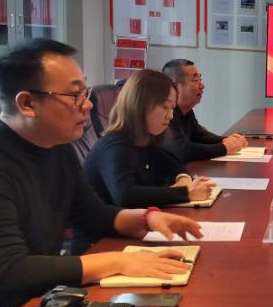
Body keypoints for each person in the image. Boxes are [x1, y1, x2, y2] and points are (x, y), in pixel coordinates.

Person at [0, 39, 202, 307]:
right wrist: (117, 262)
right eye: (75, 96)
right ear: (27, 103)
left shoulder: (55, 149)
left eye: (85, 93)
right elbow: (9, 273)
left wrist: (147, 218)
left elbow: (93, 215)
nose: (88, 105)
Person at [84, 70, 216, 207]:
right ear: (141, 104)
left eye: (172, 108)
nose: (170, 115)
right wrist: (186, 193)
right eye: (165, 107)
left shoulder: (143, 140)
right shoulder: (115, 145)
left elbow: (173, 165)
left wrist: (184, 180)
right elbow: (125, 195)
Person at [161, 59, 247, 162]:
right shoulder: (166, 114)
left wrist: (224, 140)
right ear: (175, 86)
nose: (202, 86)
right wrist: (224, 148)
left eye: (200, 79)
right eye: (195, 80)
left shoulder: (186, 110)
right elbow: (183, 150)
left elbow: (199, 135)